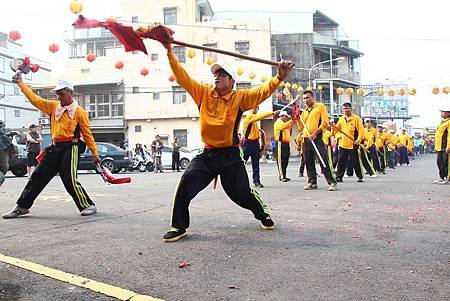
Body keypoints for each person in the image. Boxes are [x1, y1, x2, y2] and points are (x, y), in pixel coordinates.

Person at [160, 38, 293, 242]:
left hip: (231, 155)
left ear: (232, 81)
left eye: (222, 74)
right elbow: (182, 76)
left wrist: (278, 78)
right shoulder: (203, 93)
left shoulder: (240, 97)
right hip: (208, 154)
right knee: (187, 181)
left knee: (241, 193)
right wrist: (169, 50)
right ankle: (179, 226)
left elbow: (261, 92)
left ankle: (262, 213)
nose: (217, 77)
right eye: (216, 74)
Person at [3, 78, 100, 219]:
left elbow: (87, 134)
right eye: (58, 94)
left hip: (71, 146)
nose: (59, 96)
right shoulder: (54, 107)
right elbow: (35, 100)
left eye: (61, 93)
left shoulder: (79, 112)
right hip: (55, 147)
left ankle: (88, 205)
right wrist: (21, 83)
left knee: (69, 179)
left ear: (70, 93)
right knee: (37, 176)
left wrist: (95, 154)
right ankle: (22, 206)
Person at [297, 90, 337, 191]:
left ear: (312, 97)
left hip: (317, 138)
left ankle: (332, 182)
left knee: (323, 160)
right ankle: (312, 182)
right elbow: (301, 127)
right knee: (308, 161)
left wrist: (316, 133)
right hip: (306, 139)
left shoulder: (320, 107)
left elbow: (324, 122)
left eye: (308, 98)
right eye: (304, 98)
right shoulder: (305, 111)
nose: (306, 100)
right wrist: (298, 118)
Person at [243, 106, 279, 188]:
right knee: (242, 163)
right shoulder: (250, 117)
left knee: (256, 164)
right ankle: (238, 181)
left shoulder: (255, 120)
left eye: (256, 108)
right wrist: (272, 113)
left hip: (255, 143)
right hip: (248, 143)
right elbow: (260, 116)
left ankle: (257, 181)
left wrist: (260, 144)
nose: (255, 109)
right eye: (253, 107)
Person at [332, 102, 365, 183]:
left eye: (347, 108)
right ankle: (339, 177)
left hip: (353, 144)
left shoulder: (356, 118)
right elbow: (336, 130)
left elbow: (361, 130)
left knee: (355, 160)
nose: (345, 110)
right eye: (343, 109)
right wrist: (333, 127)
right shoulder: (341, 119)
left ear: (351, 109)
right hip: (343, 143)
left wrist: (359, 139)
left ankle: (359, 176)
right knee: (341, 161)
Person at [274, 110, 292, 182]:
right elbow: (282, 127)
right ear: (282, 116)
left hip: (286, 143)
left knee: (285, 160)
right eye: (285, 116)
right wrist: (291, 121)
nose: (286, 118)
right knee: (281, 160)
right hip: (280, 143)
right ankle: (281, 176)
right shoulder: (278, 122)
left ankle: (284, 175)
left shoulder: (284, 123)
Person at [433, 108, 450, 184]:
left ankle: (446, 178)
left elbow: (449, 135)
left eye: (443, 112)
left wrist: (448, 146)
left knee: (445, 162)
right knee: (439, 162)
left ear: (448, 113)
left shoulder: (448, 122)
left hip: (445, 146)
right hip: (439, 146)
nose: (441, 113)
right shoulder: (442, 122)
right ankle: (441, 177)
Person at [0, 121, 13, 187]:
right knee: (4, 168)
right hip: (3, 151)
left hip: (3, 150)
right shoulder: (3, 135)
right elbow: (10, 145)